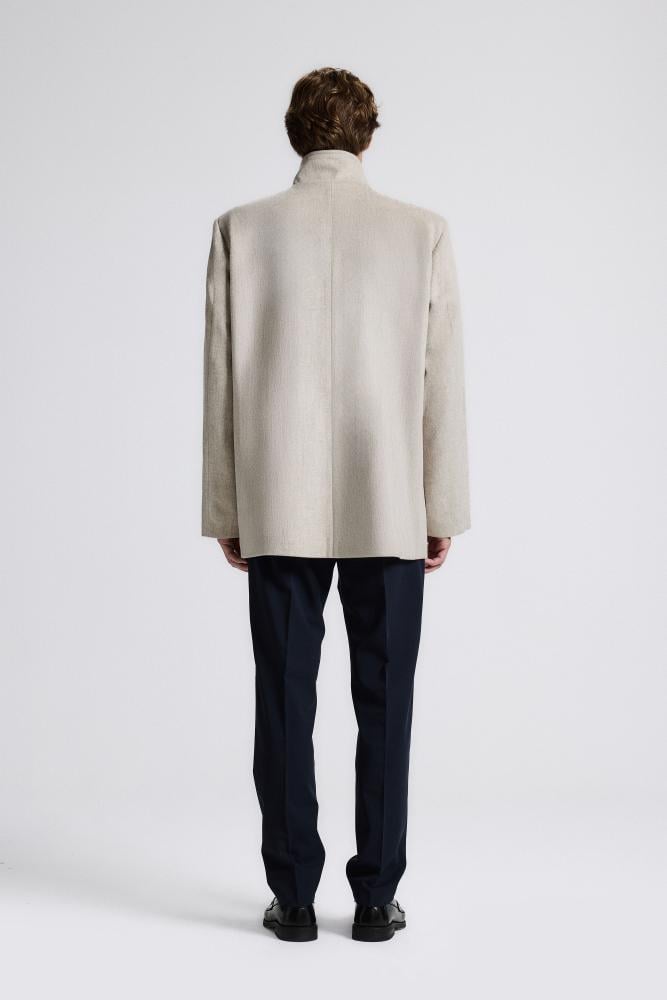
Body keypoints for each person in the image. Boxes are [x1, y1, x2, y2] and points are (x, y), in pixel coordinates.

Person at [201, 66, 470, 943]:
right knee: (386, 703)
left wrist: (228, 509)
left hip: (277, 503)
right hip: (387, 503)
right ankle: (375, 899)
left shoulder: (242, 229)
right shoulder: (420, 232)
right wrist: (438, 507)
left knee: (283, 700)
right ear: (367, 135)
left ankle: (291, 900)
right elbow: (439, 384)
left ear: (294, 133)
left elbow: (220, 383)